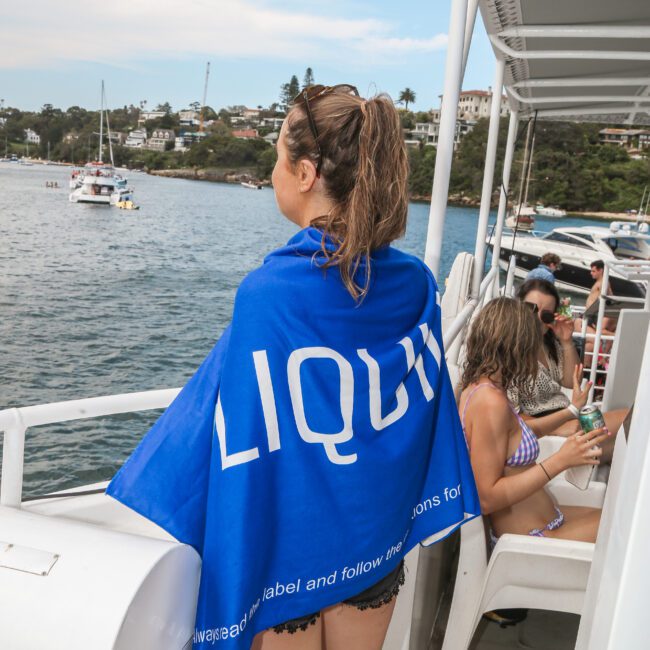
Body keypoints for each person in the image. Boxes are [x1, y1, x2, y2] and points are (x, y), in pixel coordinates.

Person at [107, 85, 479, 650]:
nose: (273, 170)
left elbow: (242, 429)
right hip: (375, 536)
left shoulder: (271, 293)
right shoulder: (416, 285)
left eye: (279, 156)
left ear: (305, 173)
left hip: (291, 552)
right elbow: (415, 413)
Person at [459, 297, 609, 544]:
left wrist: (572, 410)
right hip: (532, 538)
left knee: (620, 517)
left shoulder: (486, 389)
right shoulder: (489, 402)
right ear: (517, 346)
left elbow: (521, 431)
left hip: (550, 523)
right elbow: (486, 498)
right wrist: (560, 461)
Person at [514, 278, 627, 447]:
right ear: (517, 308)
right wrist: (557, 427)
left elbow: (569, 381)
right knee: (634, 419)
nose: (537, 318)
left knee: (626, 441)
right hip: (554, 424)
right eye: (531, 308)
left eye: (545, 315)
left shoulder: (546, 345)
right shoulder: (509, 352)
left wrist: (566, 341)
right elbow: (508, 416)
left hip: (569, 415)